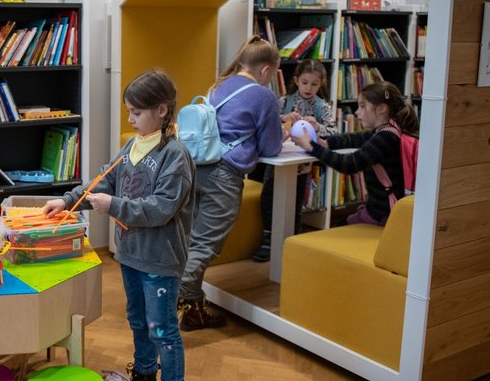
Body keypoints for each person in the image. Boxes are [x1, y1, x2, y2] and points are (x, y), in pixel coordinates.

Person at [43, 69, 195, 381]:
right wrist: (66, 201)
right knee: (139, 322)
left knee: (164, 331)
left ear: (162, 110)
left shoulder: (175, 156)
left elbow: (160, 208)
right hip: (130, 255)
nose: (130, 119)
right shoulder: (131, 147)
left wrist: (114, 206)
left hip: (159, 260)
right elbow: (101, 181)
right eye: (128, 111)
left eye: (137, 112)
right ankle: (146, 380)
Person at [179, 36, 283, 329]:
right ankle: (164, 300)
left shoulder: (218, 86)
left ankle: (192, 311)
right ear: (265, 69)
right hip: (224, 175)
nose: (271, 80)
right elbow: (272, 147)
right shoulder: (263, 96)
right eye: (273, 74)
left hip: (196, 168)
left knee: (192, 241)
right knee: (205, 245)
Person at [291, 80, 418, 226]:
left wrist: (312, 147)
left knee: (336, 230)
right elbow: (353, 138)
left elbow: (349, 164)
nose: (357, 112)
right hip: (381, 210)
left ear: (382, 108)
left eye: (363, 106)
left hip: (382, 214)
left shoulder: (386, 138)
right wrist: (323, 142)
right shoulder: (390, 130)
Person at [252, 59, 336, 262]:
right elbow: (266, 123)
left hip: (301, 161)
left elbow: (333, 132)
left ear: (321, 84)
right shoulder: (283, 102)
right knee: (269, 195)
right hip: (278, 155)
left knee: (296, 200)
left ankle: (291, 240)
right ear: (297, 80)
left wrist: (317, 126)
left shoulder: (322, 107)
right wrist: (282, 118)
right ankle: (268, 236)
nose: (309, 88)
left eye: (314, 84)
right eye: (305, 82)